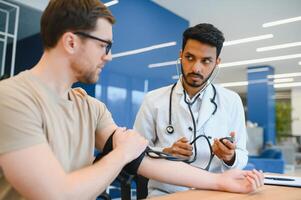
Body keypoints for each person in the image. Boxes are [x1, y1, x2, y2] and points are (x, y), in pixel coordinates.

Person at [0, 1, 263, 199]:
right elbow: (55, 194)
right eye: (105, 45)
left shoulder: (91, 108)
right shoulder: (12, 98)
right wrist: (121, 153)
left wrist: (223, 182)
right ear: (71, 42)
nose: (108, 56)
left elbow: (143, 161)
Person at [134, 23, 248, 196]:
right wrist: (166, 153)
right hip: (166, 192)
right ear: (180, 55)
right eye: (190, 57)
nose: (196, 68)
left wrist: (229, 156)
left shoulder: (231, 101)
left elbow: (242, 156)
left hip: (215, 193)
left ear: (217, 62)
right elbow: (135, 154)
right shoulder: (153, 100)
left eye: (206, 61)